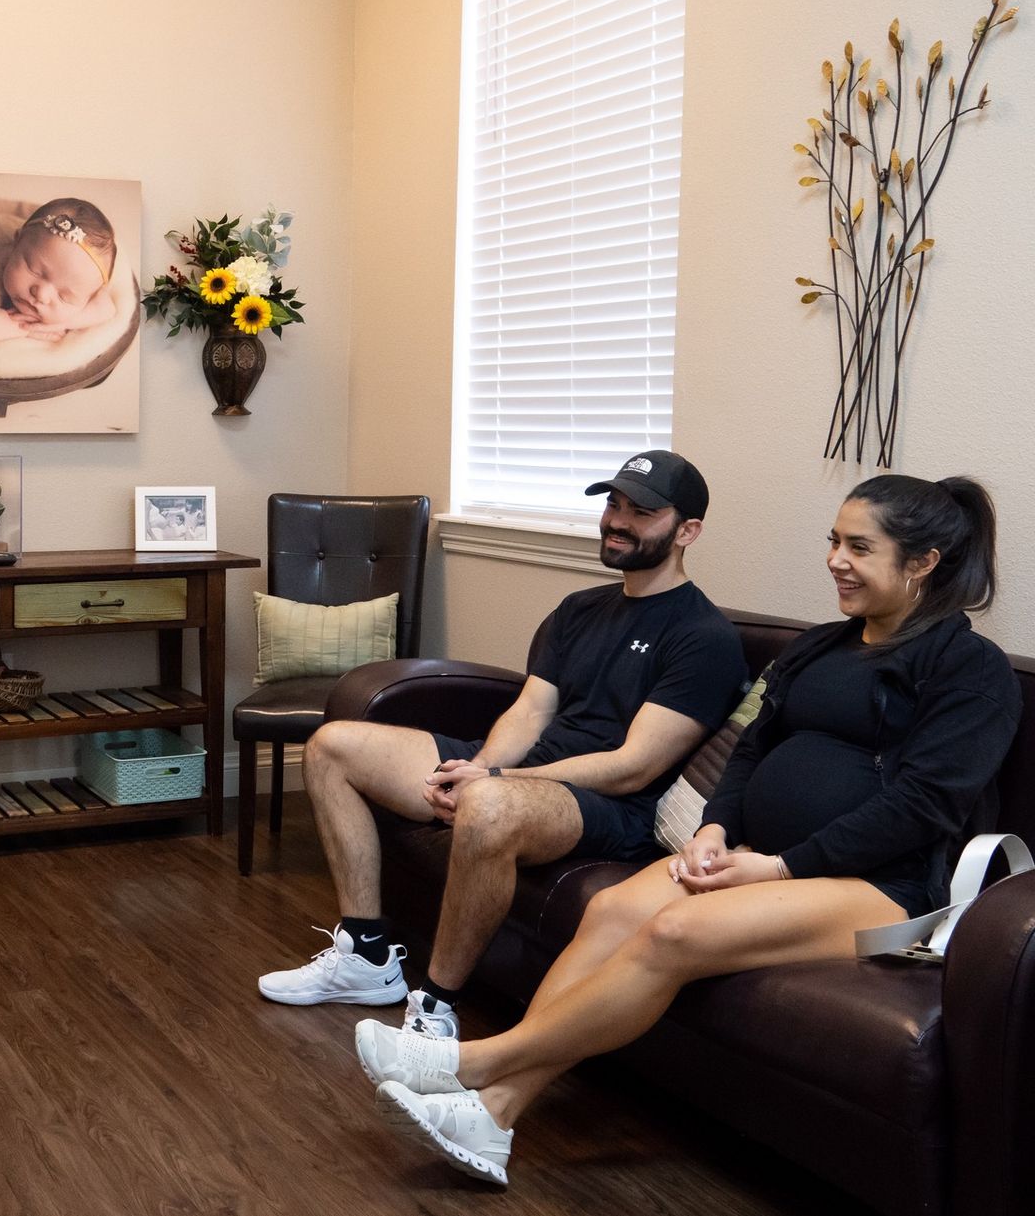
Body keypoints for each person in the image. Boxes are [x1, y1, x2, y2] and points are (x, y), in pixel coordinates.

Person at [357, 474, 1019, 1187]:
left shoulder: (970, 669)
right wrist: (714, 828)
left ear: (922, 562)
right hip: (758, 855)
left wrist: (780, 867)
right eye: (834, 540)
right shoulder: (818, 647)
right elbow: (751, 748)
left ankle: (474, 1063)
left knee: (674, 931)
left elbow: (923, 807)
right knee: (613, 910)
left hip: (881, 886)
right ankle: (494, 1116)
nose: (835, 560)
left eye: (860, 547)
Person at [259, 451, 747, 1044]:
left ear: (687, 531)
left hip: (608, 806)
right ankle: (365, 956)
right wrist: (480, 766)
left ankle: (435, 1009)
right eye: (613, 504)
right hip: (529, 775)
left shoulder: (703, 637)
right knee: (332, 746)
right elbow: (530, 711)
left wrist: (494, 785)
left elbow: (632, 766)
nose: (617, 521)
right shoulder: (580, 609)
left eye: (641, 512)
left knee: (487, 807)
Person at [0, 197, 118, 343]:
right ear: (16, 244)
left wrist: (62, 323)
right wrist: (28, 329)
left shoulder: (87, 283)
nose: (41, 295)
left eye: (64, 297)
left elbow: (107, 309)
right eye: (34, 271)